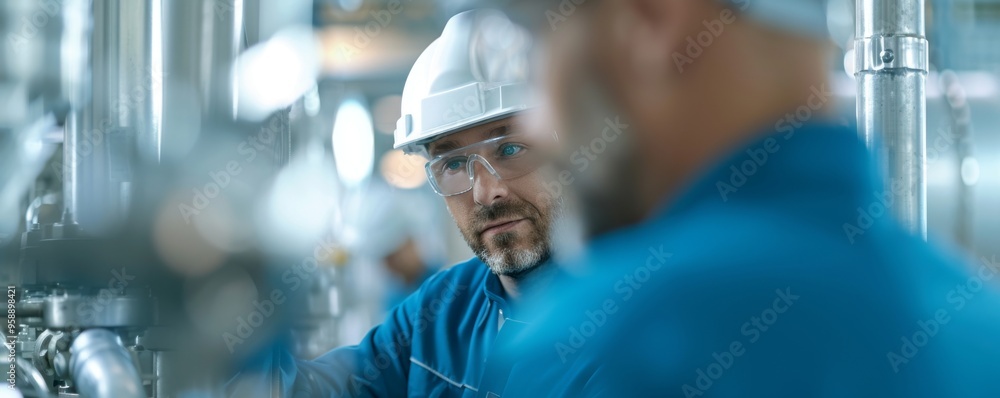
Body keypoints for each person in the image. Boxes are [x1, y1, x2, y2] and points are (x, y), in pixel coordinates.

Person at [481, 0, 1000, 396]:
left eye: (536, 49)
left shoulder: (612, 346)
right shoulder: (979, 326)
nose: (537, 123)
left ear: (652, 21)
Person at [227, 9, 561, 397]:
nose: (485, 192)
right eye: (452, 163)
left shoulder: (628, 323)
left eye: (510, 148)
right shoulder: (442, 311)